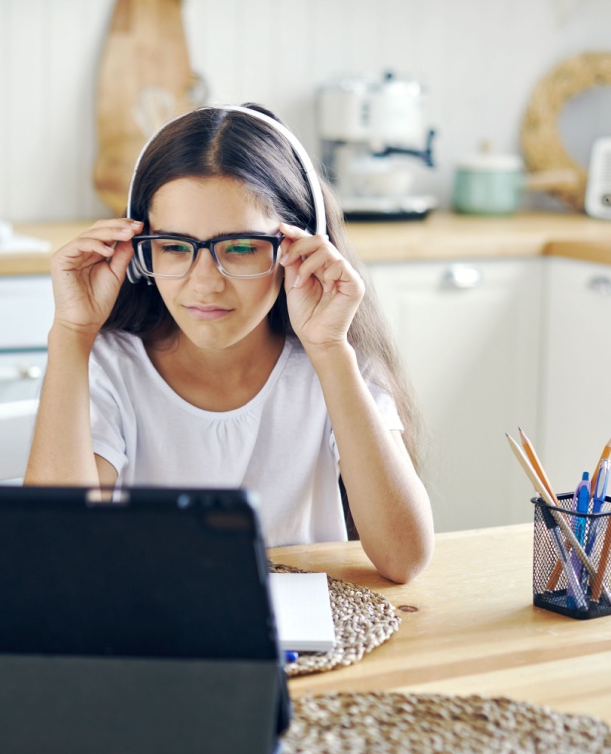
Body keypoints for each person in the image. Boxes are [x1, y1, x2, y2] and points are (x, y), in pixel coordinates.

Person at [25, 104, 433, 583]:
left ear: (301, 250)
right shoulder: (111, 366)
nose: (205, 284)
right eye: (174, 247)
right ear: (140, 248)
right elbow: (54, 556)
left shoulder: (337, 360)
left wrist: (330, 352)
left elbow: (404, 558)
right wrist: (72, 335)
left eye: (239, 248)